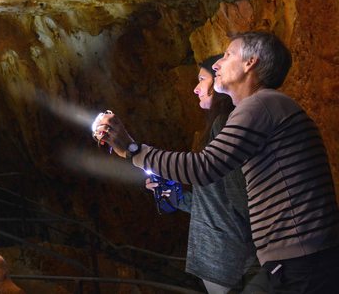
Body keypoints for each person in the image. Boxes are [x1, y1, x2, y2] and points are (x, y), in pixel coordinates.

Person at [94, 31, 339, 293]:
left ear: (250, 62)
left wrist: (133, 150)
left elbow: (204, 168)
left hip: (300, 257)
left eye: (228, 54)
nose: (217, 64)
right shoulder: (267, 107)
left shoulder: (260, 105)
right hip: (299, 255)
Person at [145, 55, 256, 293]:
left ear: (219, 79)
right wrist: (179, 198)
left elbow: (241, 199)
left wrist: (135, 152)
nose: (195, 89)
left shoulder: (225, 125)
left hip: (229, 260)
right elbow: (218, 201)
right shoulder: (221, 125)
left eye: (201, 80)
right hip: (223, 259)